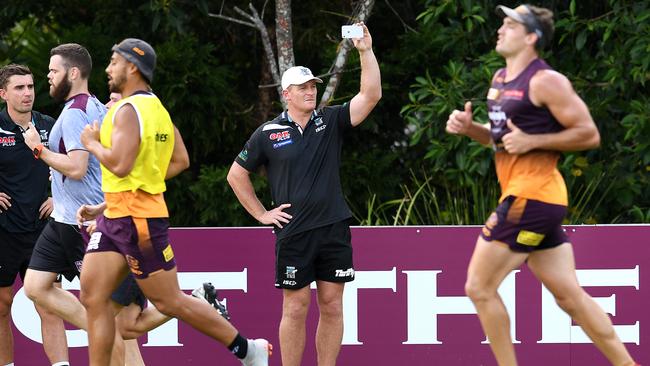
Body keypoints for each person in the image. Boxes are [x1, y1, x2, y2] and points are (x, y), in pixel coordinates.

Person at [445, 5, 639, 366]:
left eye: (510, 24)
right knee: (569, 297)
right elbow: (506, 140)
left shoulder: (546, 81)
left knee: (478, 287)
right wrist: (471, 129)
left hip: (531, 197)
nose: (500, 29)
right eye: (502, 23)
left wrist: (535, 142)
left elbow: (589, 134)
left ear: (531, 37)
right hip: (538, 199)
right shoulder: (501, 79)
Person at [79, 38, 270, 366]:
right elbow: (179, 160)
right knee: (93, 298)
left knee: (169, 301)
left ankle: (247, 350)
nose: (108, 68)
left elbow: (121, 164)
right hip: (117, 215)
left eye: (114, 62)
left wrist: (92, 143)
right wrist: (124, 194)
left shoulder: (127, 111)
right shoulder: (156, 107)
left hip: (138, 221)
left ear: (133, 67)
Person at [227, 22, 381, 366]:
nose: (310, 92)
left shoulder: (330, 121)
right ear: (287, 94)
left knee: (332, 304)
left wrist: (365, 51)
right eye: (302, 87)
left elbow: (370, 96)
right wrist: (261, 214)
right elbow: (236, 175)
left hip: (333, 227)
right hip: (294, 232)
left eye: (313, 86)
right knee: (295, 307)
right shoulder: (268, 133)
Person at [0, 63, 70, 366]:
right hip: (4, 230)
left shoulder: (49, 125)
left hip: (44, 230)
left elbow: (75, 168)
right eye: (19, 87)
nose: (27, 93)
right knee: (2, 305)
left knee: (49, 303)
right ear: (3, 93)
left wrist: (57, 197)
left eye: (30, 86)